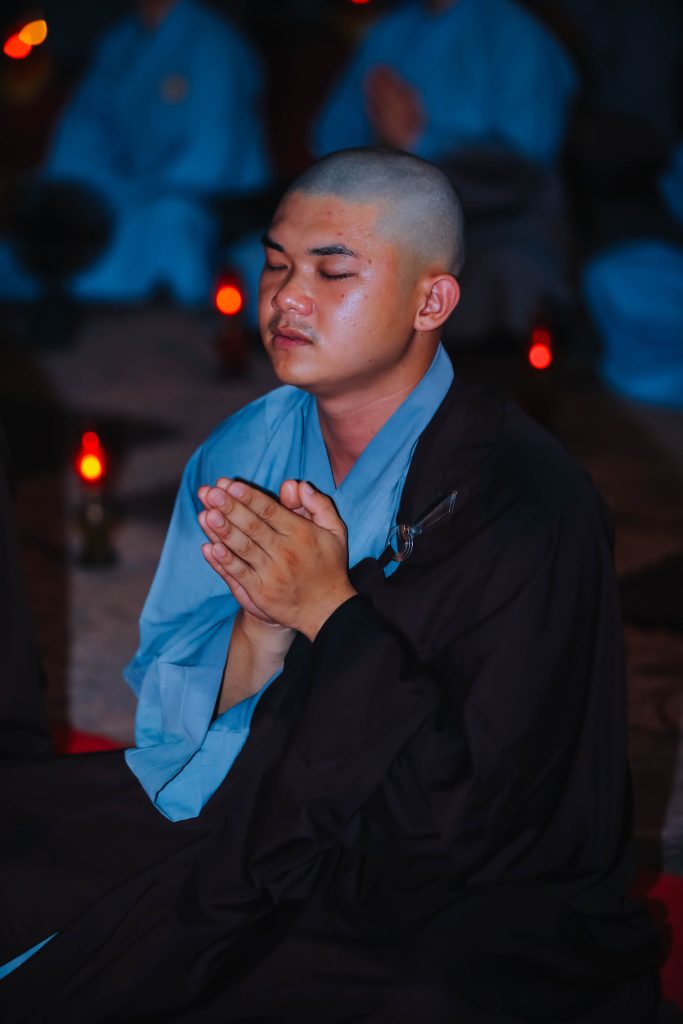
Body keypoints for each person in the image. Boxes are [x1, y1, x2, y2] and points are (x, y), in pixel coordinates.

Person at [0, 148, 660, 1022]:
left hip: (442, 875)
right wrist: (259, 634)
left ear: (430, 301)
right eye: (275, 264)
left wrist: (327, 611)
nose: (286, 298)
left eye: (331, 271)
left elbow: (477, 811)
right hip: (249, 801)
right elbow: (176, 728)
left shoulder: (525, 502)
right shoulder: (245, 451)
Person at [313, 0, 579, 343]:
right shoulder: (391, 31)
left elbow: (525, 167)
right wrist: (380, 150)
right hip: (389, 229)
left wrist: (419, 141)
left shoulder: (515, 35)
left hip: (494, 229)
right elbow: (331, 137)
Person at [0, 0, 271, 309]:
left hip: (204, 202)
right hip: (115, 194)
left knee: (167, 222)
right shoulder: (117, 43)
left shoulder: (214, 44)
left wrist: (131, 191)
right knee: (37, 227)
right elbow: (81, 132)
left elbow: (211, 159)